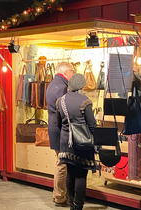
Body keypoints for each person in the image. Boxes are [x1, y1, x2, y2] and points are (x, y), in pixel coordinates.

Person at [56, 74, 96, 210]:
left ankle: (72, 205)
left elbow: (58, 124)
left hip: (66, 143)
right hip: (82, 143)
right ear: (81, 86)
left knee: (70, 173)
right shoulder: (85, 101)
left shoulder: (60, 101)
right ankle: (78, 207)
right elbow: (92, 125)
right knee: (81, 174)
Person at [46, 62, 74, 206]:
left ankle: (59, 195)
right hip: (60, 130)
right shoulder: (62, 87)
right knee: (62, 163)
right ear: (65, 72)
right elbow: (64, 111)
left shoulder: (53, 84)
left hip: (55, 128)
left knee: (61, 162)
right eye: (72, 70)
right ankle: (59, 197)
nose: (73, 73)